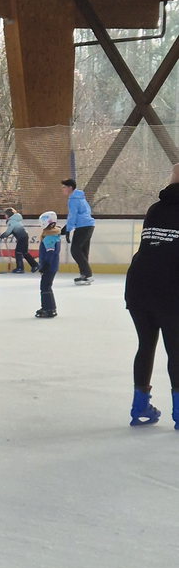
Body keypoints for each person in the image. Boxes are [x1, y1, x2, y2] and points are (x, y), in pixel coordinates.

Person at [124, 163, 179, 427]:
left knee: (145, 345)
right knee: (176, 350)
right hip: (169, 287)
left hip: (139, 286)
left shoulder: (155, 209)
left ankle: (140, 407)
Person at [61, 177, 95, 284]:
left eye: (64, 187)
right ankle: (84, 275)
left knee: (75, 250)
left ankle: (87, 274)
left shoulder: (73, 199)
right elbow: (85, 212)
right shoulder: (80, 197)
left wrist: (68, 229)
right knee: (83, 251)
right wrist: (67, 226)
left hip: (82, 226)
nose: (62, 189)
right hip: (89, 225)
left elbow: (73, 215)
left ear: (70, 188)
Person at [36, 210, 61, 318]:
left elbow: (50, 252)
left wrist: (45, 265)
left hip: (49, 267)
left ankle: (47, 308)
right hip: (52, 266)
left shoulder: (49, 237)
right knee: (47, 286)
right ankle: (50, 307)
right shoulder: (54, 235)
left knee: (45, 287)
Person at [2, 207, 39, 273]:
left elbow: (8, 231)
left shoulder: (11, 221)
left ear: (9, 214)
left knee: (18, 252)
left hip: (21, 238)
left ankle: (20, 268)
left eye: (6, 214)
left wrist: (3, 235)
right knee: (25, 252)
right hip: (24, 236)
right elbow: (12, 230)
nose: (5, 216)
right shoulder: (15, 220)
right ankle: (35, 265)